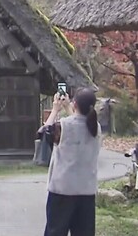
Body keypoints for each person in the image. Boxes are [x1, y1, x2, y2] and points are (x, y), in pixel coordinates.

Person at [43, 88, 100, 236]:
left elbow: (44, 133)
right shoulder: (96, 128)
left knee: (55, 231)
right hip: (86, 191)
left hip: (62, 190)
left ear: (75, 104)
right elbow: (81, 122)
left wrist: (55, 110)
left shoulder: (62, 126)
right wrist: (69, 107)